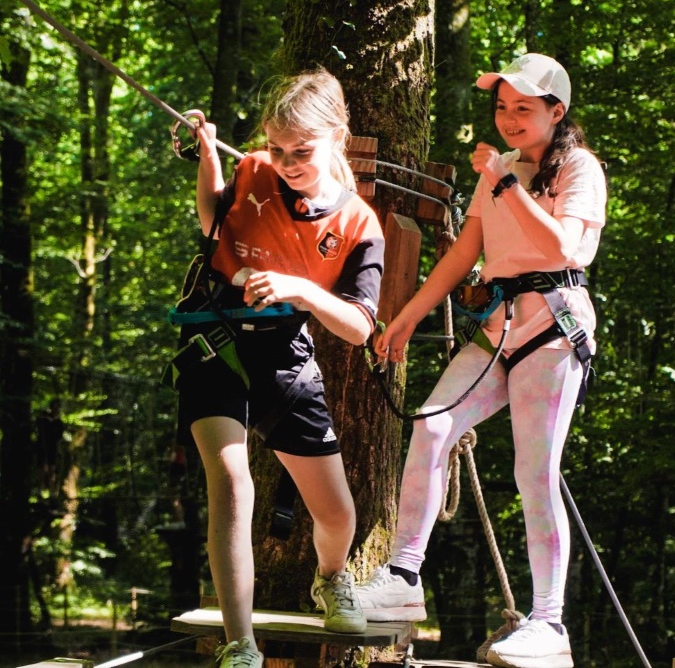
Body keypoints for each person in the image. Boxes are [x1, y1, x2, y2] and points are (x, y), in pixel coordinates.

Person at [356, 53, 606, 668]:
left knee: (534, 472)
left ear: (556, 111)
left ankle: (549, 624)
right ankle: (404, 580)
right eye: (502, 107)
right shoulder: (501, 169)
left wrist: (503, 185)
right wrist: (411, 314)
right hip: (498, 329)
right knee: (432, 423)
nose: (510, 118)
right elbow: (466, 249)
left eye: (524, 107)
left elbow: (564, 247)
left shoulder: (577, 169)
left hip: (551, 328)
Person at [173, 68, 384, 668]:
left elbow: (359, 326)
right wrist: (210, 154)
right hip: (214, 338)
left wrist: (300, 289)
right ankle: (241, 647)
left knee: (338, 513)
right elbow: (214, 217)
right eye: (277, 148)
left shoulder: (358, 226)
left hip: (284, 354)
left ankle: (332, 577)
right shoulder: (254, 169)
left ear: (337, 138)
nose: (287, 162)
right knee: (232, 485)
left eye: (302, 151)